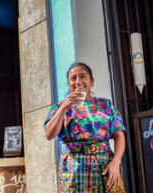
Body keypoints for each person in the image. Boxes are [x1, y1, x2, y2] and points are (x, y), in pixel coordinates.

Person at [44, 62, 126, 193]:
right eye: (73, 78)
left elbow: (119, 135)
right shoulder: (59, 106)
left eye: (83, 76)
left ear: (91, 81)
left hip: (104, 164)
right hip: (75, 166)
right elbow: (49, 134)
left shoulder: (105, 105)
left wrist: (116, 162)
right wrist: (65, 107)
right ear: (68, 83)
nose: (78, 81)